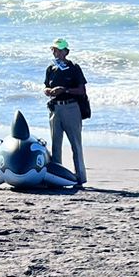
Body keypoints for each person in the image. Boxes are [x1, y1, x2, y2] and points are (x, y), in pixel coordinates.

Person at [44, 37, 88, 185]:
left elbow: (81, 90)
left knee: (75, 144)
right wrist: (49, 91)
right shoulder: (51, 68)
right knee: (56, 144)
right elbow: (45, 87)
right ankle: (57, 178)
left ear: (66, 52)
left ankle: (80, 177)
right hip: (55, 108)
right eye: (54, 49)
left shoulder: (74, 68)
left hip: (71, 108)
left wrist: (65, 90)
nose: (55, 52)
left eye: (58, 50)